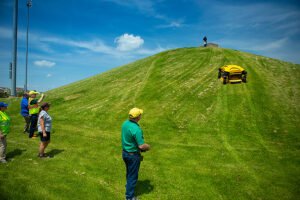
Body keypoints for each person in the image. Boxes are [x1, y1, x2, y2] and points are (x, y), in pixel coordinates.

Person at [121, 108, 151, 200]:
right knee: (133, 176)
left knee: (129, 172)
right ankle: (129, 197)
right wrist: (148, 147)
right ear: (138, 117)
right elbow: (141, 146)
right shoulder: (136, 129)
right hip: (133, 156)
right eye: (140, 114)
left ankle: (128, 186)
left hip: (125, 153)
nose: (141, 116)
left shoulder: (125, 123)